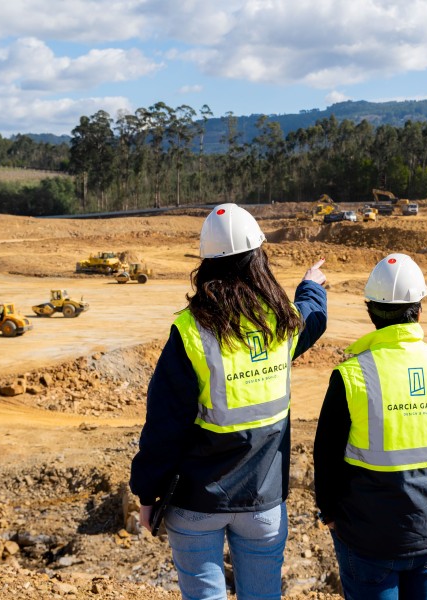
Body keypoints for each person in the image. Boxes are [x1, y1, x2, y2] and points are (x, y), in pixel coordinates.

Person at [130, 203, 328, 600]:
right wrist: (312, 285)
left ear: (205, 264)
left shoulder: (191, 332)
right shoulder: (283, 323)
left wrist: (148, 493)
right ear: (259, 258)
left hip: (197, 502)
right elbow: (313, 317)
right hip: (263, 503)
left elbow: (165, 427)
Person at [313, 253, 427, 600]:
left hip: (368, 539)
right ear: (419, 308)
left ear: (370, 310)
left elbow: (326, 457)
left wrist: (330, 512)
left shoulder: (352, 376)